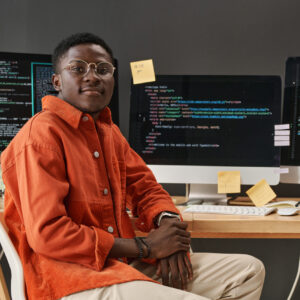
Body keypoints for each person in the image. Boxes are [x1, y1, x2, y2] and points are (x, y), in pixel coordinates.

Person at [1, 32, 265, 300]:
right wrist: (145, 246)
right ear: (56, 80)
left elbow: (146, 188)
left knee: (248, 271)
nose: (92, 76)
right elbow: (48, 234)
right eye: (78, 68)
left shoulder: (108, 132)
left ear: (112, 80)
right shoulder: (40, 136)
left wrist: (168, 229)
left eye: (103, 69)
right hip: (70, 280)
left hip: (121, 267)